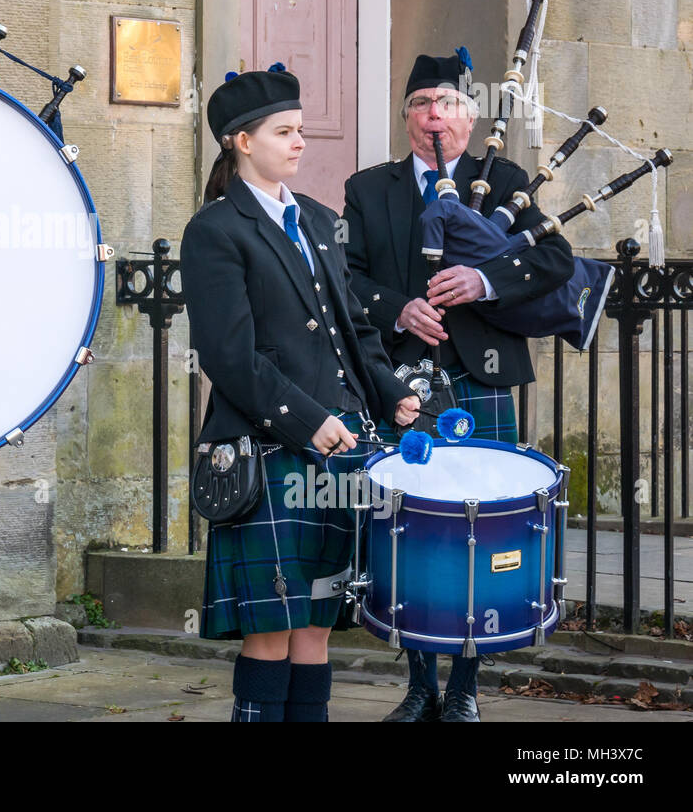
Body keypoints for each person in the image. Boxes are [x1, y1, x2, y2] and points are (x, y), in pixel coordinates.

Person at [181, 65, 420, 723]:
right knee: (271, 625)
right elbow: (230, 356)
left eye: (300, 130)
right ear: (240, 141)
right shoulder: (216, 230)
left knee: (315, 622)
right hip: (270, 447)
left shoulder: (317, 219)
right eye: (284, 132)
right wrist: (308, 421)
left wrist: (389, 390)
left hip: (342, 442)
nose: (299, 143)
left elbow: (356, 325)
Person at [342, 49, 574, 723]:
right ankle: (419, 684)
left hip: (481, 374)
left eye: (446, 104)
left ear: (469, 119)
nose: (433, 115)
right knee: (410, 526)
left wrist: (484, 280)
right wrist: (396, 308)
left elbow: (555, 259)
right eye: (420, 104)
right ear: (407, 118)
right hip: (404, 379)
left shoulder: (501, 181)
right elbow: (347, 276)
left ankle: (466, 687)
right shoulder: (370, 188)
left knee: (480, 521)